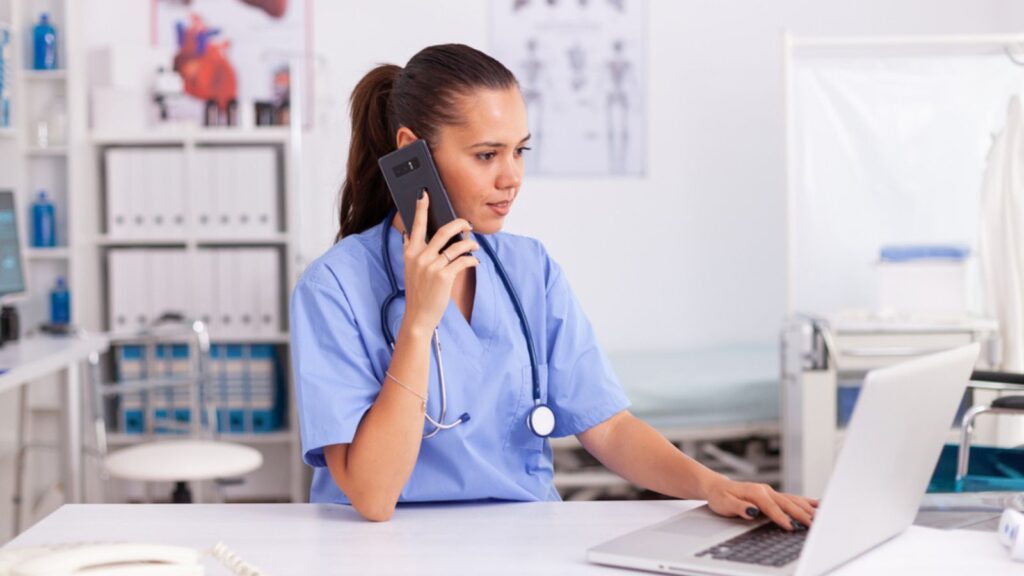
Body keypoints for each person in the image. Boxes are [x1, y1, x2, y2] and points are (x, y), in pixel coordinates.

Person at [290, 44, 817, 525]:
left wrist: (714, 486)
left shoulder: (529, 269)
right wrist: (419, 324)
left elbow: (607, 428)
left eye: (520, 151)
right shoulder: (333, 288)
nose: (511, 177)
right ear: (413, 154)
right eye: (486, 155)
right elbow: (374, 497)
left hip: (528, 539)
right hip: (389, 551)